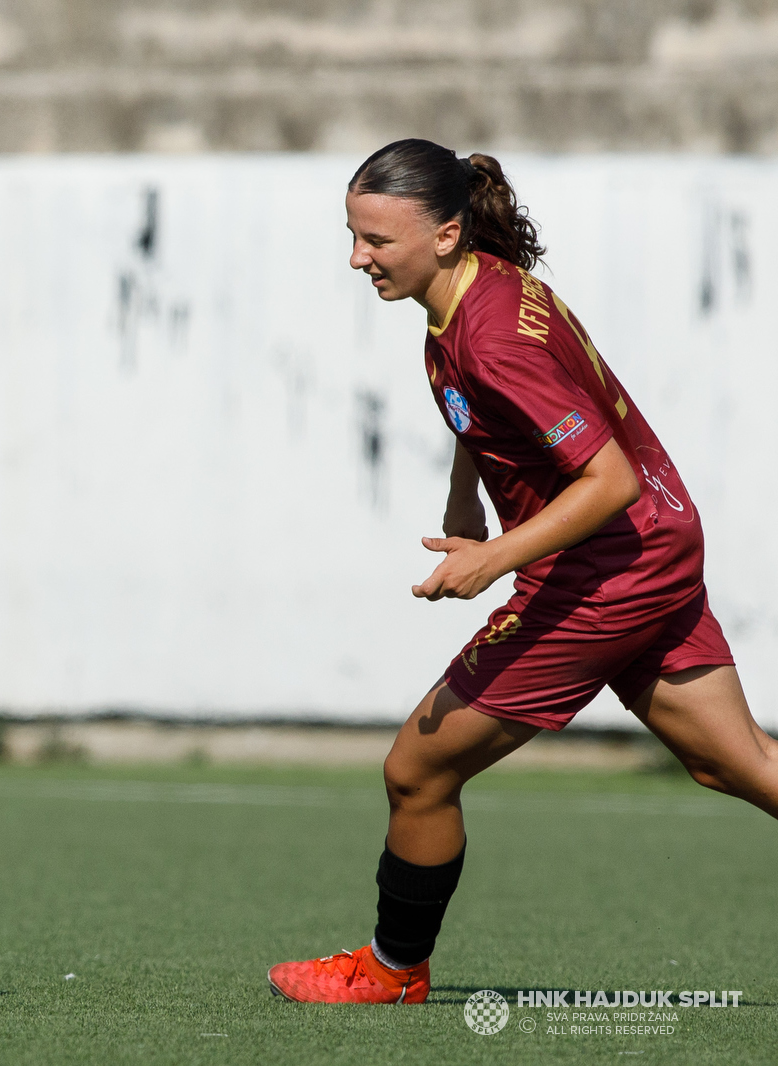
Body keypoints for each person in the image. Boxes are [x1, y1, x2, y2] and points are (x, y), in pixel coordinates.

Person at [268, 139, 778, 1004]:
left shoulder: (493, 333)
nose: (357, 258)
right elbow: (492, 418)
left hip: (609, 569)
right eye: (353, 236)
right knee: (736, 764)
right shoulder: (477, 287)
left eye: (376, 242)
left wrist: (493, 559)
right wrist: (469, 497)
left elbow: (606, 479)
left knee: (417, 770)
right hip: (657, 540)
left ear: (446, 233)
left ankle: (392, 974)